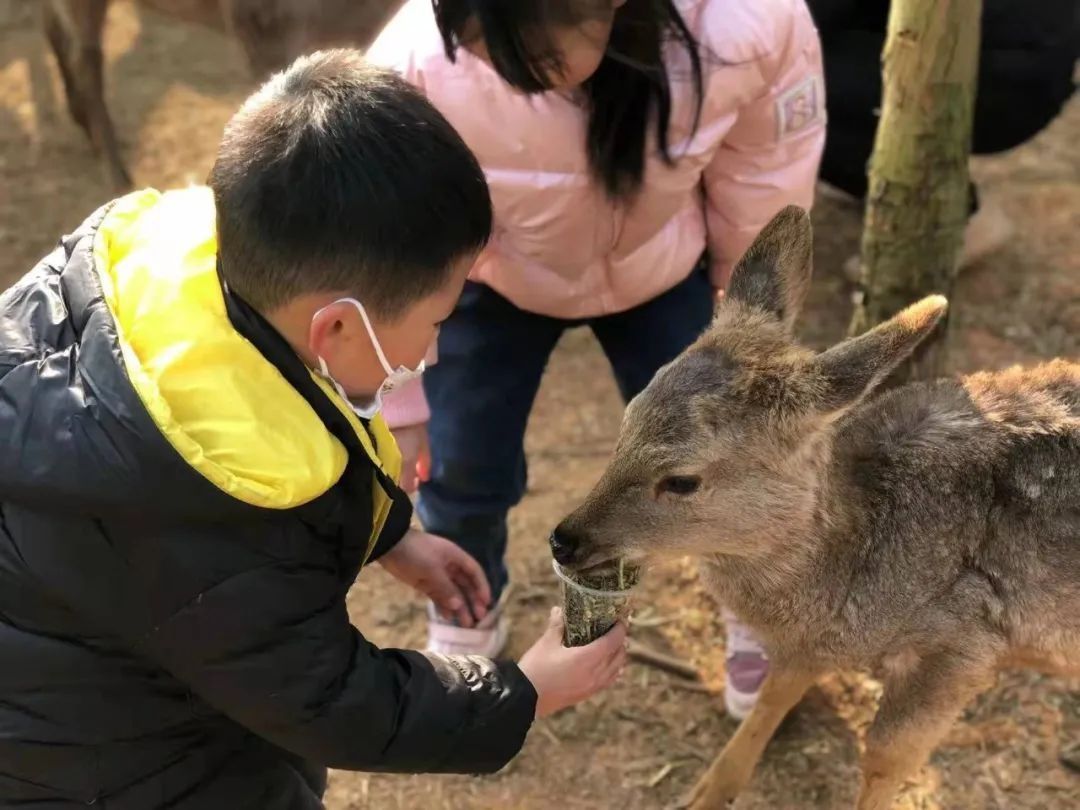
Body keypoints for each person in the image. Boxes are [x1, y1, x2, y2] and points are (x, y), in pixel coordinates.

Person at [0, 51, 627, 809]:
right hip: (113, 765)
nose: (433, 352)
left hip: (107, 674)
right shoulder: (201, 525)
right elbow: (334, 704)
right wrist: (524, 694)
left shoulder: (182, 276)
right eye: (434, 322)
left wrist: (391, 535)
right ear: (337, 328)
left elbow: (296, 418)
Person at [369, 0, 826, 720]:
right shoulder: (416, 63)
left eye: (534, 59)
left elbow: (765, 175)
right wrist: (398, 403)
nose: (501, 73)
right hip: (493, 275)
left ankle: (759, 603)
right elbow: (394, 240)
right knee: (461, 461)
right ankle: (467, 591)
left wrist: (747, 325)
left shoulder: (747, 25)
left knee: (720, 456)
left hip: (661, 265)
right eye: (474, 42)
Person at [806, 0, 1078, 276]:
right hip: (1026, 51)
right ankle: (879, 178)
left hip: (1007, 77)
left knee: (790, 91)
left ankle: (954, 220)